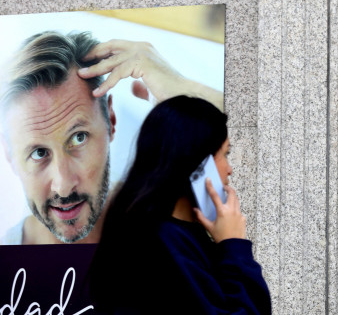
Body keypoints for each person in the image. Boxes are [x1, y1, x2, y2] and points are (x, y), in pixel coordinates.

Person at [0, 30, 224, 245]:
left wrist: (187, 93)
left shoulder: (172, 223)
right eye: (38, 153)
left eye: (79, 138)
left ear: (111, 121)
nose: (64, 186)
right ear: (10, 156)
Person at [89, 96, 270, 314]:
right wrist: (234, 246)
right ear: (200, 162)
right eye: (225, 154)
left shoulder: (159, 233)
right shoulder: (160, 243)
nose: (229, 169)